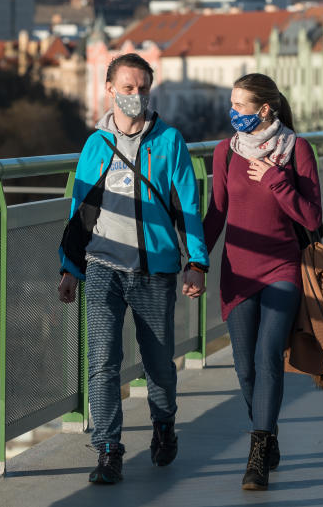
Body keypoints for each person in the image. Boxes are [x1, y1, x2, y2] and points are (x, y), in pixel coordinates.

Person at [57, 52, 209, 485]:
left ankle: (164, 421)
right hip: (102, 266)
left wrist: (196, 261)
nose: (135, 96)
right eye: (127, 88)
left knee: (158, 363)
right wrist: (69, 268)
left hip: (154, 270)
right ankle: (108, 449)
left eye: (142, 88)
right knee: (102, 360)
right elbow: (81, 210)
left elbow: (187, 208)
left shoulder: (170, 142)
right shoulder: (95, 145)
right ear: (109, 90)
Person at [203, 73, 322, 491]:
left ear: (266, 109)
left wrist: (275, 180)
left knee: (268, 356)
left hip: (281, 269)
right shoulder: (225, 152)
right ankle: (268, 431)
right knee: (244, 366)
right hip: (237, 271)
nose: (233, 113)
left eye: (241, 106)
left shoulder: (296, 150)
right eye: (232, 105)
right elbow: (217, 213)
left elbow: (312, 219)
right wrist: (196, 262)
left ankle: (256, 456)